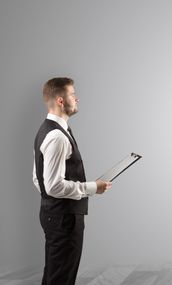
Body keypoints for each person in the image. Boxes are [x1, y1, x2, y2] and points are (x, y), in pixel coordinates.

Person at [32, 77, 112, 285]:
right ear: (60, 100)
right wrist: (93, 187)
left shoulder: (46, 130)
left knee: (54, 275)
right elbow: (52, 185)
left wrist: (52, 200)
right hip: (64, 219)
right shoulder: (57, 136)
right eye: (72, 94)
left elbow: (38, 178)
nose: (77, 98)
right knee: (61, 278)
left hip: (54, 215)